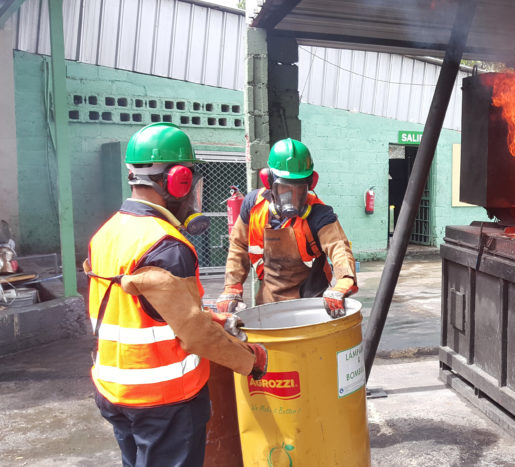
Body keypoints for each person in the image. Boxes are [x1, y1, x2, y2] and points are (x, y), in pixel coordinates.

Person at [84, 123, 268, 466]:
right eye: (192, 183)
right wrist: (249, 359)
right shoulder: (167, 245)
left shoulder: (106, 234)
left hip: (113, 389)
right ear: (178, 180)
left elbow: (145, 308)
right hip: (164, 400)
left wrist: (213, 316)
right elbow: (195, 336)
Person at [217, 138, 357, 317]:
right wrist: (232, 287)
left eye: (299, 189)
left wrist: (344, 283)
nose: (292, 197)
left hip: (312, 302)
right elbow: (238, 246)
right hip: (269, 300)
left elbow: (339, 247)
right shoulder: (253, 206)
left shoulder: (319, 214)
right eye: (285, 188)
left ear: (310, 184)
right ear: (269, 181)